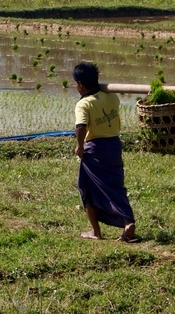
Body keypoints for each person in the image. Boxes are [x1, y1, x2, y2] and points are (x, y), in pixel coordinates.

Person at [73, 62, 137, 242]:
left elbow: (81, 126)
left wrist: (79, 146)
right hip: (114, 145)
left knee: (86, 187)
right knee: (115, 186)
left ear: (80, 84)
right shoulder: (112, 97)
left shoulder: (83, 104)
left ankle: (95, 231)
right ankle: (126, 221)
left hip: (95, 150)